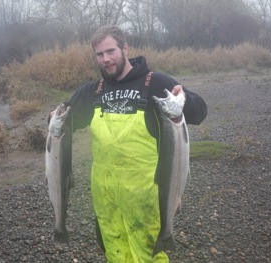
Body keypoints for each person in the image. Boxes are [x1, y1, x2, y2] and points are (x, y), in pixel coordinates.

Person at [56, 25, 207, 262]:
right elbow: (63, 121)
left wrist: (184, 99)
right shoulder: (93, 91)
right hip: (106, 199)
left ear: (125, 48)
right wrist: (52, 118)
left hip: (146, 200)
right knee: (115, 255)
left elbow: (200, 112)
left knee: (149, 257)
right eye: (99, 54)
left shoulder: (156, 82)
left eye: (110, 51)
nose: (105, 59)